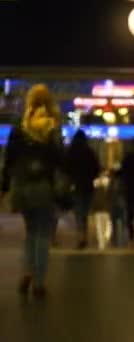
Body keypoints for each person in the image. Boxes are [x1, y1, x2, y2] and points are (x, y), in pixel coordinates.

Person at [0, 84, 64, 298]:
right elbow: (59, 158)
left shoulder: (20, 126)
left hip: (23, 186)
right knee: (43, 234)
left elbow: (9, 159)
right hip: (44, 187)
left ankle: (27, 271)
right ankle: (38, 281)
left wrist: (5, 186)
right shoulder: (52, 126)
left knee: (30, 233)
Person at [65, 129, 100, 249]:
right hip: (88, 185)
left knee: (78, 211)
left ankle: (80, 235)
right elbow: (96, 168)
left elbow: (67, 168)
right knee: (85, 212)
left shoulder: (71, 152)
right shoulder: (90, 152)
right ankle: (84, 234)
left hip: (75, 185)